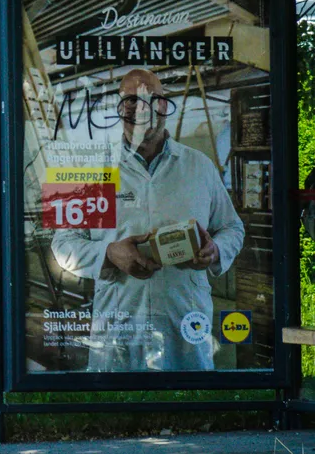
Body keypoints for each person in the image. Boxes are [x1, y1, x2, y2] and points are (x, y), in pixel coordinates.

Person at [51, 68, 245, 371]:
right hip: (120, 324)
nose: (141, 109)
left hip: (184, 321)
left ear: (165, 106)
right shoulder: (91, 169)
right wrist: (109, 253)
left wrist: (215, 250)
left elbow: (232, 228)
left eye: (151, 99)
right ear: (119, 109)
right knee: (118, 410)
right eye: (130, 101)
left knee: (189, 409)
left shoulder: (198, 166)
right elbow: (62, 242)